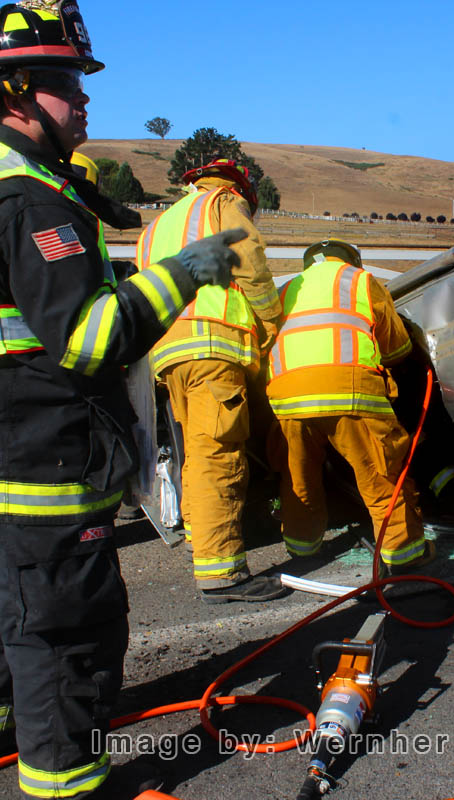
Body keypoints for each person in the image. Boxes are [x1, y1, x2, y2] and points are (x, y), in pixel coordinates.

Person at [0, 3, 245, 796]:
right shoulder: (29, 203)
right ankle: (67, 782)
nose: (85, 100)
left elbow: (27, 305)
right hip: (37, 455)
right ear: (20, 92)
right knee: (67, 634)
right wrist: (181, 278)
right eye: (69, 82)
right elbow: (94, 340)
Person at [136, 157, 286, 603]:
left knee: (196, 452)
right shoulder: (223, 203)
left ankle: (204, 545)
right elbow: (249, 260)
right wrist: (271, 319)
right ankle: (222, 572)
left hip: (168, 351)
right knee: (218, 454)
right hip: (211, 345)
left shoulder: (157, 225)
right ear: (241, 188)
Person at [266, 238, 433, 575]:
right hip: (349, 393)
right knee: (380, 474)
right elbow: (397, 347)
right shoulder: (359, 281)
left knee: (298, 478)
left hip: (287, 398)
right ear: (351, 260)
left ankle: (302, 548)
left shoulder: (286, 291)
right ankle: (404, 555)